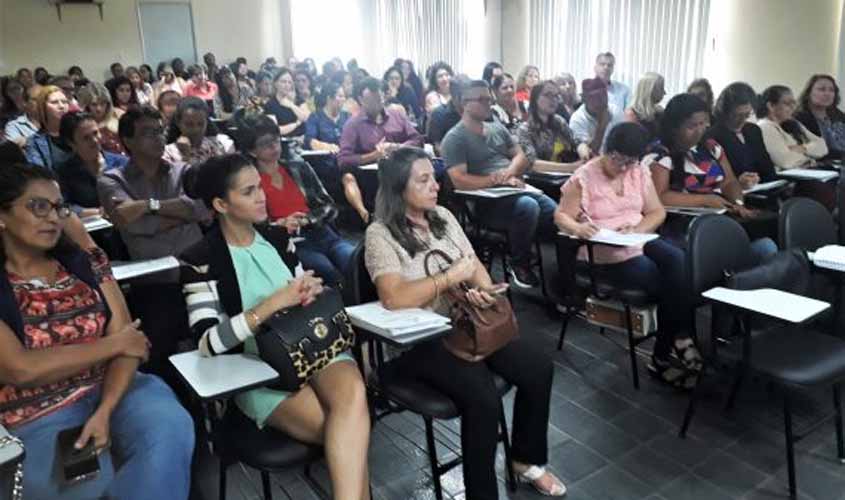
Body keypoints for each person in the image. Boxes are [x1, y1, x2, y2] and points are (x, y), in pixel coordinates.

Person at [365, 146, 564, 499]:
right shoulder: (381, 234)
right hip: (420, 339)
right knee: (483, 398)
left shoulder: (442, 216)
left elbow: (473, 266)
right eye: (423, 180)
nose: (435, 186)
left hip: (466, 323)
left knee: (538, 367)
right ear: (398, 188)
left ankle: (525, 459)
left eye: (433, 178)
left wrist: (484, 292)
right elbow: (394, 298)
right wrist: (449, 277)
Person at [180, 154, 370, 500]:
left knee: (352, 401)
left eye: (260, 187)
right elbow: (207, 342)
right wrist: (270, 306)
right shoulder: (200, 260)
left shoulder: (278, 239)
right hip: (259, 372)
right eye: (248, 191)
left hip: (313, 347)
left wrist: (310, 290)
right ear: (221, 204)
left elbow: (300, 289)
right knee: (349, 430)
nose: (261, 196)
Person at [0, 162, 194, 500]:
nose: (52, 217)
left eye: (58, 207)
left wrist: (105, 409)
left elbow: (129, 343)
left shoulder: (84, 262)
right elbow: (20, 368)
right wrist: (113, 344)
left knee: (170, 428)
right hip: (40, 411)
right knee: (88, 484)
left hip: (116, 386)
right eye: (37, 206)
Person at [555, 122, 698, 388]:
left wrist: (637, 228)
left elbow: (657, 212)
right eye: (618, 160)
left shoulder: (638, 171)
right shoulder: (584, 177)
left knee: (681, 264)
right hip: (603, 248)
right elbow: (561, 215)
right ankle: (671, 348)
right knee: (663, 280)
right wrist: (578, 227)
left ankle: (667, 348)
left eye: (630, 162)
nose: (623, 168)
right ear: (607, 150)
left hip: (636, 238)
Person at [97, 107, 207, 377]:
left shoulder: (183, 171)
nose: (158, 138)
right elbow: (132, 224)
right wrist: (179, 214)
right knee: (161, 355)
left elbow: (202, 209)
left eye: (160, 131)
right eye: (148, 133)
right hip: (154, 279)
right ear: (128, 141)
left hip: (198, 270)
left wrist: (147, 206)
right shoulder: (111, 179)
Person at [442, 80, 557, 288]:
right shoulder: (454, 138)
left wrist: (508, 173)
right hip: (486, 203)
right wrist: (496, 181)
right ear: (464, 103)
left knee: (559, 215)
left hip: (513, 188)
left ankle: (563, 277)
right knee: (528, 207)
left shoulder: (497, 128)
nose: (489, 104)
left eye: (489, 99)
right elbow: (459, 180)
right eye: (482, 100)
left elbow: (521, 156)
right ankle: (519, 262)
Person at [643, 93, 778, 252]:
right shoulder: (660, 154)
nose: (699, 131)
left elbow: (729, 181)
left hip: (719, 218)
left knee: (768, 245)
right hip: (682, 226)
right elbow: (660, 196)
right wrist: (704, 199)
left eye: (703, 124)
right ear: (674, 126)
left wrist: (738, 204)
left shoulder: (711, 147)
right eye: (692, 126)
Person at [236, 114, 355, 286]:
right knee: (326, 271)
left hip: (322, 232)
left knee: (354, 260)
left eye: (276, 139)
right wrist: (280, 225)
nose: (273, 146)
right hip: (292, 242)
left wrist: (307, 219)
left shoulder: (298, 167)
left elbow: (328, 204)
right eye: (265, 143)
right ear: (251, 150)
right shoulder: (251, 182)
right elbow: (251, 225)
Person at [57, 111, 128, 217]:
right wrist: (97, 212)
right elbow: (63, 206)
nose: (95, 140)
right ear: (71, 143)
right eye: (86, 138)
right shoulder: (64, 171)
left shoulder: (121, 162)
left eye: (96, 133)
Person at [707, 82, 776, 187]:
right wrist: (738, 182)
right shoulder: (712, 136)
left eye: (747, 115)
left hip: (762, 191)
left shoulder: (753, 130)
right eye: (737, 115)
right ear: (725, 111)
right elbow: (711, 180)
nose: (742, 121)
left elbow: (768, 169)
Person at [516, 80, 582, 174]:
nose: (553, 100)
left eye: (556, 96)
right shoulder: (525, 129)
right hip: (541, 180)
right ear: (535, 98)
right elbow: (533, 163)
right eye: (548, 95)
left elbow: (576, 141)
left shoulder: (559, 121)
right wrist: (571, 167)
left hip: (563, 176)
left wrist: (583, 150)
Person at [757, 85, 828, 170]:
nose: (792, 107)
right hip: (788, 179)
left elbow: (823, 146)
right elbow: (786, 161)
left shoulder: (793, 123)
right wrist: (810, 156)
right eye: (787, 103)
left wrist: (803, 148)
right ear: (771, 106)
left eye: (793, 103)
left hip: (807, 173)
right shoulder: (765, 127)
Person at [163, 96, 234, 167]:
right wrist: (185, 156)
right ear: (178, 123)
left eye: (201, 124)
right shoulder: (168, 153)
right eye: (189, 125)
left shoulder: (218, 146)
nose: (196, 130)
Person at [569, 77, 623, 160]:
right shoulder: (577, 120)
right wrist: (602, 125)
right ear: (584, 99)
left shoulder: (616, 111)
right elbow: (589, 155)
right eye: (595, 97)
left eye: (603, 95)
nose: (601, 101)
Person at [795, 74, 845, 162]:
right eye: (821, 89)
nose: (827, 94)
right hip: (820, 166)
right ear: (808, 93)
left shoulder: (839, 116)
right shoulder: (799, 118)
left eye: (832, 90)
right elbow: (811, 150)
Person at [24, 85, 73, 171]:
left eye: (64, 102)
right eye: (54, 102)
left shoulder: (78, 133)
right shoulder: (34, 142)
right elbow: (39, 173)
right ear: (43, 108)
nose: (61, 106)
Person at [77, 82, 126, 156]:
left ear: (108, 104)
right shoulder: (82, 122)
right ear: (87, 105)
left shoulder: (119, 115)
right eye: (94, 104)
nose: (98, 108)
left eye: (102, 104)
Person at [427, 76, 470, 154]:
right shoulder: (439, 114)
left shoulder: (474, 111)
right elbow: (437, 146)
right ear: (453, 95)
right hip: (451, 160)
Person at [264, 68, 310, 137]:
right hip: (284, 141)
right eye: (283, 82)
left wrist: (291, 105)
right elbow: (276, 130)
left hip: (303, 139)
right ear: (275, 84)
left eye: (289, 82)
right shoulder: (270, 105)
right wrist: (296, 124)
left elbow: (307, 118)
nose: (287, 85)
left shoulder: (298, 99)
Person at [624, 72, 665, 141]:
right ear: (650, 90)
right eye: (661, 88)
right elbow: (632, 143)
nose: (664, 92)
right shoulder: (632, 113)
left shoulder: (660, 111)